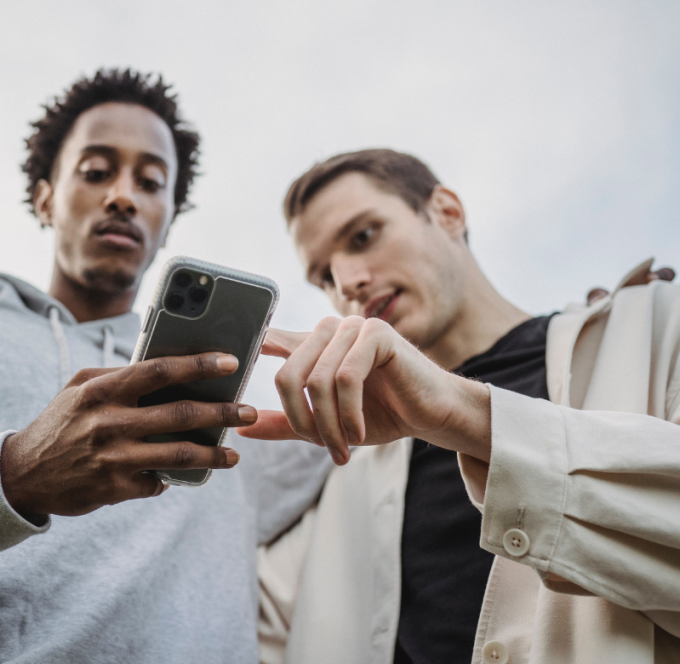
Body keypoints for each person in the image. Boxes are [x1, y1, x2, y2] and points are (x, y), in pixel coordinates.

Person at [0, 68, 329, 663]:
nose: (123, 195)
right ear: (45, 198)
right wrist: (12, 478)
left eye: (151, 182)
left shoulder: (238, 408)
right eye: (96, 172)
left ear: (167, 221)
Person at [243, 149, 680, 664]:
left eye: (363, 236)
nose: (347, 284)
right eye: (323, 278)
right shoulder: (341, 479)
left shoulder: (653, 326)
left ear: (447, 213)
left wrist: (465, 416)